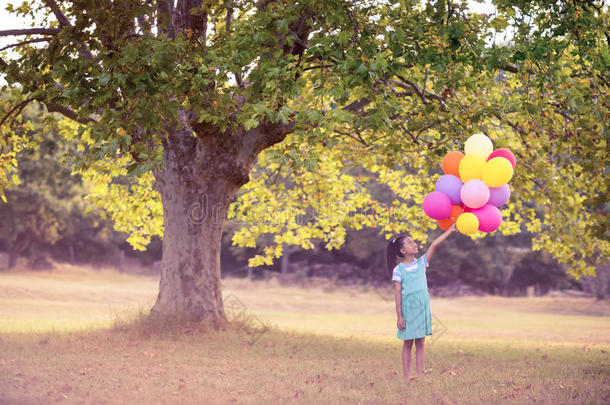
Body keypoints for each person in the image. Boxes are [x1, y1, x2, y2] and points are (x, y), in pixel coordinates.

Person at [387, 224, 456, 383]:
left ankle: (419, 376)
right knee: (407, 343)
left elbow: (434, 245)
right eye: (410, 243)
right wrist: (399, 316)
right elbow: (397, 294)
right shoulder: (398, 270)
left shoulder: (421, 263)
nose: (414, 244)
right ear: (403, 251)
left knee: (421, 342)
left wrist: (450, 231)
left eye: (413, 241)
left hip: (422, 308)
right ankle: (405, 377)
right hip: (408, 309)